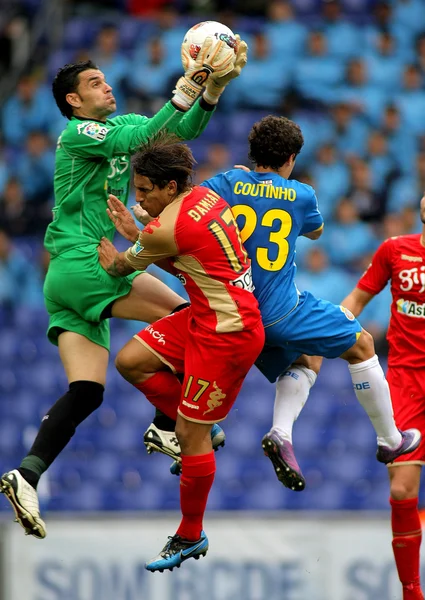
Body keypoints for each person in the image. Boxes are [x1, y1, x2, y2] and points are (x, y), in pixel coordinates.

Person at [0, 38, 248, 540]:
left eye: (105, 79)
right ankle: (164, 423)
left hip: (64, 280)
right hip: (90, 262)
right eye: (94, 83)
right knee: (184, 313)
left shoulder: (121, 128)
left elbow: (174, 136)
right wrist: (183, 89)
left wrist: (210, 92)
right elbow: (127, 142)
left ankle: (26, 474)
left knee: (87, 392)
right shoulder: (77, 135)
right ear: (73, 100)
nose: (106, 85)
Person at [198, 115, 420, 491]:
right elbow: (315, 230)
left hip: (238, 315)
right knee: (363, 345)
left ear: (253, 155)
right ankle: (390, 440)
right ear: (292, 157)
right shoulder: (301, 194)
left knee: (306, 357)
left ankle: (281, 434)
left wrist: (239, 186)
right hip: (283, 310)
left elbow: (195, 206)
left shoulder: (226, 183)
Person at [97, 135, 265, 572]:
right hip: (205, 315)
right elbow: (185, 258)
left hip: (227, 334)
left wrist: (119, 249)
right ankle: (200, 430)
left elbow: (121, 266)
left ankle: (191, 533)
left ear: (170, 187)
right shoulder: (205, 197)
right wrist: (139, 234)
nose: (140, 198)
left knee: (189, 437)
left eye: (145, 191)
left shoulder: (166, 227)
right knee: (131, 361)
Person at [341, 196, 425, 600]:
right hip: (408, 381)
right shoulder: (395, 250)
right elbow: (356, 300)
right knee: (401, 491)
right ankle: (412, 591)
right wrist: (329, 327)